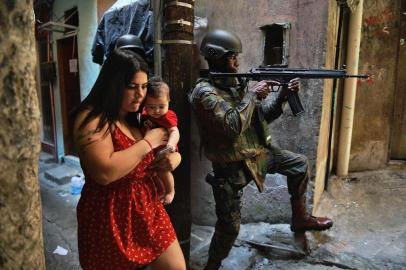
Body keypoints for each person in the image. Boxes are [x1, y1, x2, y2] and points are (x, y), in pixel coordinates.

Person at [189, 29, 333, 270]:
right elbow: (232, 126)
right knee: (230, 228)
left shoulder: (238, 85)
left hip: (258, 154)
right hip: (231, 167)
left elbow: (262, 117)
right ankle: (212, 265)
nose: (237, 61)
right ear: (216, 57)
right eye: (232, 56)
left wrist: (283, 97)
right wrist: (252, 96)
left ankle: (300, 219)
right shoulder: (204, 93)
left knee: (299, 164)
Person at [73, 48, 186, 270]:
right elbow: (104, 173)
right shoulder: (92, 118)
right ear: (114, 84)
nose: (140, 94)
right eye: (132, 86)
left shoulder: (138, 116)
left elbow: (167, 142)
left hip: (147, 207)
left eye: (144, 87)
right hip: (109, 216)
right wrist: (147, 143)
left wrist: (175, 159)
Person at [141, 77, 180, 204]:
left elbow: (174, 131)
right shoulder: (144, 115)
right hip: (151, 151)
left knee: (163, 171)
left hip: (165, 149)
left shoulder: (168, 116)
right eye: (151, 107)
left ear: (168, 101)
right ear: (145, 104)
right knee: (154, 173)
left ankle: (170, 191)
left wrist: (170, 145)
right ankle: (162, 190)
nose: (156, 111)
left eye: (161, 106)